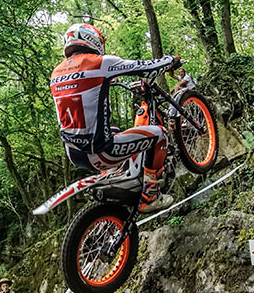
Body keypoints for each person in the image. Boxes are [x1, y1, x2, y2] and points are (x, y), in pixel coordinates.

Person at [50, 23, 181, 213]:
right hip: (100, 152)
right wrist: (172, 60)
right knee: (160, 135)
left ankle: (114, 176)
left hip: (74, 153)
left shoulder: (56, 73)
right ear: (91, 39)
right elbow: (147, 67)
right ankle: (150, 195)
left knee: (114, 130)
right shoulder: (100, 62)